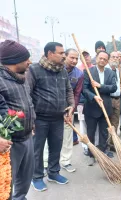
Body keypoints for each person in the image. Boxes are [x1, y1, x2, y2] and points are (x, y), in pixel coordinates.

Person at [27, 42, 75, 191]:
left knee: (56, 147)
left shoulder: (62, 71)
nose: (64, 56)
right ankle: (37, 177)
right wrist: (31, 118)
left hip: (58, 118)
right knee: (37, 149)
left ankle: (53, 173)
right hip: (40, 118)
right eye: (60, 53)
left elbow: (68, 90)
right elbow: (27, 93)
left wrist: (71, 106)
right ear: (49, 53)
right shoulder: (34, 70)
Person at [0, 40, 35, 199]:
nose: (30, 62)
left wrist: (31, 121)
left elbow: (27, 103)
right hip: (8, 143)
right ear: (14, 61)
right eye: (26, 58)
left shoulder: (22, 78)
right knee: (6, 183)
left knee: (25, 178)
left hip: (27, 137)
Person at [44, 48, 83, 173]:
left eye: (76, 58)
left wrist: (71, 109)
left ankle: (66, 161)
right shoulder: (55, 69)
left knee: (67, 137)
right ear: (65, 56)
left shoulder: (79, 74)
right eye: (72, 57)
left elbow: (76, 94)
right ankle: (45, 162)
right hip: (51, 109)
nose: (74, 60)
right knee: (48, 137)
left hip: (67, 109)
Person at [83, 51, 117, 166]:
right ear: (96, 58)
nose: (102, 60)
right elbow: (85, 89)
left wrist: (100, 86)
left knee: (104, 132)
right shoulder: (88, 71)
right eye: (100, 58)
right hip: (91, 107)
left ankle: (102, 153)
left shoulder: (110, 72)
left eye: (105, 59)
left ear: (107, 61)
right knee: (91, 132)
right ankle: (92, 154)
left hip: (105, 107)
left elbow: (113, 87)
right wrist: (94, 96)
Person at [108, 51, 121, 149]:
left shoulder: (117, 70)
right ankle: (106, 143)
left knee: (115, 122)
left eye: (117, 57)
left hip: (118, 99)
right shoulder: (106, 70)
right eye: (113, 57)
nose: (115, 59)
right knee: (107, 122)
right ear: (109, 58)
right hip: (108, 99)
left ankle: (113, 143)